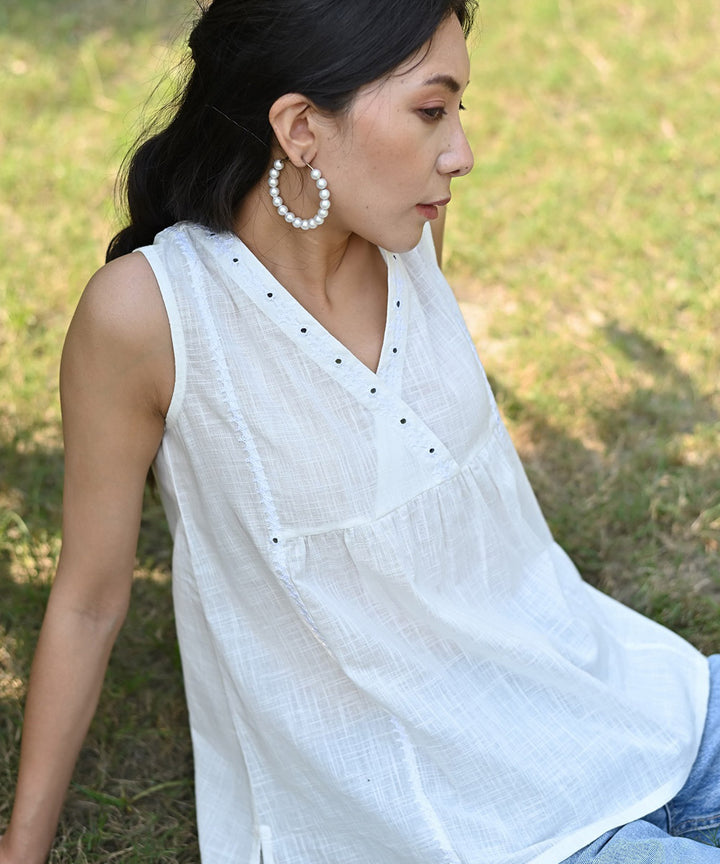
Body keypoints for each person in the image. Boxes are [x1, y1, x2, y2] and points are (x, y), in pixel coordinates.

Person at [1, 1, 718, 862]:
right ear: (301, 127)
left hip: (626, 708)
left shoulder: (408, 225)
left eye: (459, 110)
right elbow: (88, 601)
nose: (461, 152)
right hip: (460, 829)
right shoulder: (150, 315)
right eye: (430, 110)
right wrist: (22, 849)